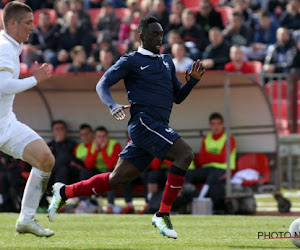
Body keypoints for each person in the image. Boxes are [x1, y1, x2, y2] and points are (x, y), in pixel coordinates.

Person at [48, 16, 205, 239]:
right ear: (141, 36)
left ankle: (64, 191)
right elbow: (102, 83)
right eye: (154, 34)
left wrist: (191, 83)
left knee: (117, 180)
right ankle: (162, 214)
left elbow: (177, 97)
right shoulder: (130, 61)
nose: (159, 38)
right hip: (142, 123)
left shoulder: (167, 61)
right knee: (185, 154)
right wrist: (112, 106)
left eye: (161, 34)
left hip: (156, 127)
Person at [0, 2, 54, 237]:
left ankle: (26, 219)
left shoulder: (11, 47)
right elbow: (3, 86)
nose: (33, 27)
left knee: (45, 159)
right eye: (28, 22)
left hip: (6, 123)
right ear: (12, 23)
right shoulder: (3, 47)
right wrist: (35, 79)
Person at [185, 113, 236, 214]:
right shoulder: (206, 138)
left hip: (224, 170)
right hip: (207, 169)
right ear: (210, 125)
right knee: (187, 174)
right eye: (213, 124)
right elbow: (202, 159)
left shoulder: (229, 139)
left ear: (222, 125)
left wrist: (209, 156)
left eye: (218, 124)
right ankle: (193, 197)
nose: (216, 127)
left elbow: (223, 159)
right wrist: (214, 156)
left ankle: (204, 202)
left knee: (214, 178)